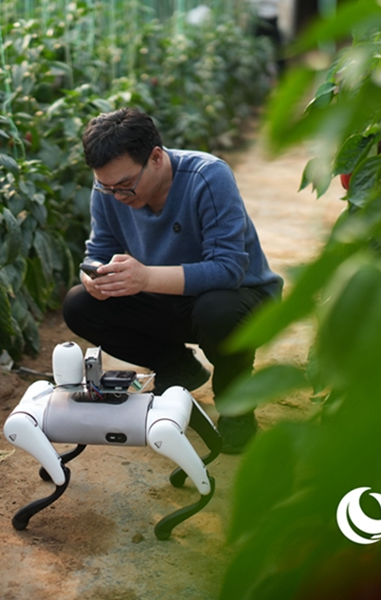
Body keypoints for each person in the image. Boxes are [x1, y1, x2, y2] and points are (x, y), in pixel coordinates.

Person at [61, 107, 283, 453]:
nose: (117, 196)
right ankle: (177, 368)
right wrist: (94, 277)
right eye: (107, 187)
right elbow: (97, 251)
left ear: (156, 158)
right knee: (80, 304)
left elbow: (228, 270)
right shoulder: (109, 188)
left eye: (125, 186)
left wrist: (145, 277)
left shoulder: (207, 176)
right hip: (169, 298)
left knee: (218, 310)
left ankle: (236, 404)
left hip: (241, 299)